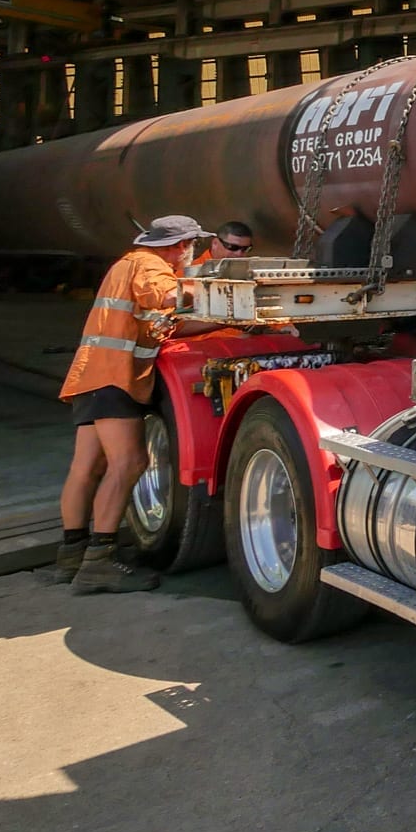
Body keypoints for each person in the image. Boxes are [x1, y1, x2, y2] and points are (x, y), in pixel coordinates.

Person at [43, 215, 211, 594]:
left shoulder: (126, 265)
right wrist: (222, 295)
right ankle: (99, 563)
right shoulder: (149, 264)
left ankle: (71, 555)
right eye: (192, 245)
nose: (193, 252)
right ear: (179, 244)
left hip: (92, 375)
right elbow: (167, 297)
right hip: (114, 378)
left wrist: (218, 325)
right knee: (129, 462)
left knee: (87, 467)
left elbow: (166, 323)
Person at [187, 220, 256, 276]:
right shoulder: (191, 272)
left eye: (245, 249)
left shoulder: (251, 272)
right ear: (215, 243)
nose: (239, 254)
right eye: (233, 247)